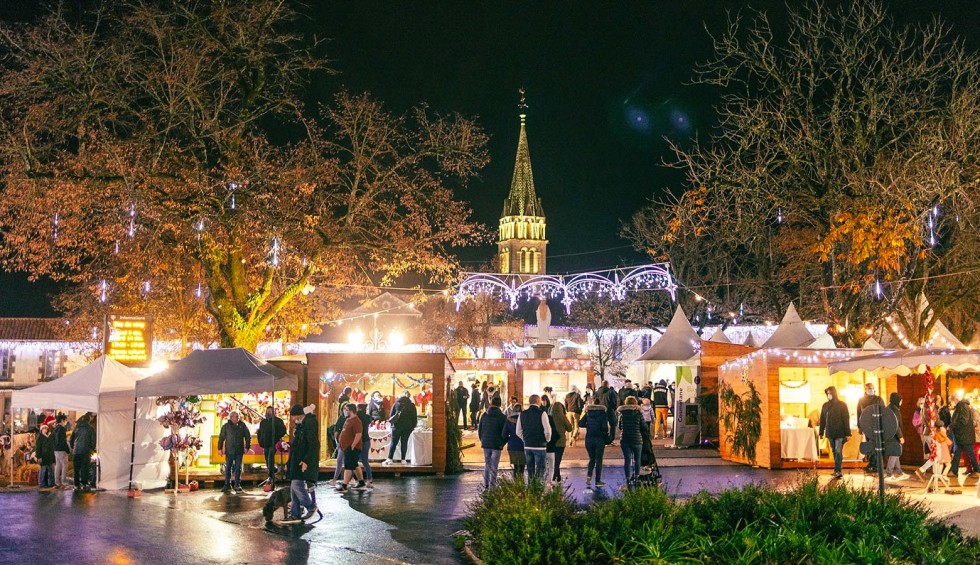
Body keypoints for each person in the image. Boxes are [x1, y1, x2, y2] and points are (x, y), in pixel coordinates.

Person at [286, 404, 318, 522]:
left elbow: (312, 444)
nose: (294, 419)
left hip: (302, 460)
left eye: (294, 417)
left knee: (296, 485)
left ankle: (310, 506)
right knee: (294, 487)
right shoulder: (302, 425)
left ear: (300, 415)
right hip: (297, 460)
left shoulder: (309, 424)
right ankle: (295, 514)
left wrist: (306, 460)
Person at [818, 386, 851, 479]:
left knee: (838, 450)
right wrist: (821, 432)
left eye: (830, 393)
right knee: (834, 451)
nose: (829, 395)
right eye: (827, 393)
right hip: (830, 433)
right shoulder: (825, 405)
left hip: (840, 432)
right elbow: (822, 420)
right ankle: (836, 470)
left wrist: (848, 433)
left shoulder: (842, 405)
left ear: (834, 393)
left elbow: (846, 419)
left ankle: (838, 471)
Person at [516, 394, 551, 482]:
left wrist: (525, 439)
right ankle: (538, 488)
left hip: (528, 446)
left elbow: (518, 431)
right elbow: (547, 431)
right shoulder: (542, 413)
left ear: (529, 402)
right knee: (540, 469)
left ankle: (531, 489)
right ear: (538, 402)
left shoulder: (522, 414)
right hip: (540, 445)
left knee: (530, 469)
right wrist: (547, 440)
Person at [580, 397, 610, 488]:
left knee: (592, 459)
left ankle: (589, 476)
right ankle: (597, 480)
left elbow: (580, 423)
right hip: (599, 438)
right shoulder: (602, 413)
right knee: (599, 460)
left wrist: (589, 425)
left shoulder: (588, 413)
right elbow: (605, 427)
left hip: (589, 438)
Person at [218, 411, 251, 493]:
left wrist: (247, 446)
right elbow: (221, 438)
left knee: (238, 468)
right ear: (231, 417)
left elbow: (247, 436)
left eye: (238, 416)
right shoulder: (226, 426)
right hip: (229, 450)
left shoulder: (242, 425)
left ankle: (237, 484)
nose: (237, 417)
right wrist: (219, 449)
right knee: (228, 468)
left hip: (239, 450)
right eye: (236, 416)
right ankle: (227, 484)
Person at [335, 403, 366, 492]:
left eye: (346, 409)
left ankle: (344, 485)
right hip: (346, 446)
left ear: (351, 411)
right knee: (355, 464)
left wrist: (353, 445)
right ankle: (361, 482)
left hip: (352, 447)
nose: (344, 411)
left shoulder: (356, 421)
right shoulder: (348, 419)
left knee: (348, 466)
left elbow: (358, 434)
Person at [478, 396, 507, 489]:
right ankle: (492, 486)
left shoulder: (484, 415)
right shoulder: (502, 417)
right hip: (496, 444)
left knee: (487, 464)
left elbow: (480, 429)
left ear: (491, 403)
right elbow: (505, 432)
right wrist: (503, 442)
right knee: (494, 466)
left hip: (486, 443)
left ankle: (486, 484)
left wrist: (482, 440)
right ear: (500, 404)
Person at [949, 394, 980, 478]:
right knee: (957, 453)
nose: (951, 403)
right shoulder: (962, 406)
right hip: (962, 435)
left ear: (955, 400)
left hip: (965, 435)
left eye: (951, 401)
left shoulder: (962, 406)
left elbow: (964, 421)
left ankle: (977, 470)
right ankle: (954, 471)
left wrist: (953, 425)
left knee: (970, 453)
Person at [856, 383, 884, 472]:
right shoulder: (861, 400)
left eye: (872, 388)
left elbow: (883, 411)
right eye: (869, 388)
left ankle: (874, 464)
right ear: (865, 389)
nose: (870, 390)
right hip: (866, 425)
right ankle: (873, 463)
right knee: (870, 444)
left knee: (875, 444)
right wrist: (859, 426)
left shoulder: (878, 399)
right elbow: (858, 414)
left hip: (876, 425)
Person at [384, 392, 418, 465]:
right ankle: (403, 459)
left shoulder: (396, 404)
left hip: (396, 426)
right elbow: (414, 417)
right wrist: (412, 427)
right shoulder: (411, 405)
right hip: (407, 427)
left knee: (393, 442)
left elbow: (391, 415)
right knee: (404, 442)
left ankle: (390, 458)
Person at [617, 396, 644, 487]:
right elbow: (643, 427)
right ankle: (637, 476)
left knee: (627, 460)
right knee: (637, 459)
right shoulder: (638, 413)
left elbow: (620, 426)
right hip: (637, 439)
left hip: (625, 439)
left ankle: (628, 478)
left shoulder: (622, 414)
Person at [257, 405, 287, 488]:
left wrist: (276, 437)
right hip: (265, 443)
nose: (268, 413)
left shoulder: (278, 421)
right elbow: (260, 432)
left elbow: (283, 431)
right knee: (267, 459)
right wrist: (260, 441)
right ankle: (271, 473)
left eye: (270, 411)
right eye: (267, 411)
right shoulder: (263, 422)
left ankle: (271, 477)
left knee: (270, 458)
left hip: (274, 443)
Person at [883, 392, 908, 481]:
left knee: (896, 453)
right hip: (894, 435)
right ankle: (889, 474)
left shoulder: (888, 408)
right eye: (901, 400)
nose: (901, 402)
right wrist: (900, 436)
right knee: (894, 453)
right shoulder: (894, 410)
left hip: (888, 434)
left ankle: (899, 472)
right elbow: (895, 424)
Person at [549, 391, 571, 483]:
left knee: (552, 459)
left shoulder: (549, 416)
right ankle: (556, 475)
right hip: (561, 441)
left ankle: (556, 475)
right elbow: (569, 428)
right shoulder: (563, 417)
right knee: (558, 459)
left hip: (551, 440)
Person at [69, 414, 96, 491]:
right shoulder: (90, 428)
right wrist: (92, 449)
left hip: (76, 451)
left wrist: (73, 447)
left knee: (76, 468)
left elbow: (71, 439)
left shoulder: (76, 428)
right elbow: (93, 440)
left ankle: (76, 484)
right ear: (88, 420)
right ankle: (84, 483)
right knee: (85, 467)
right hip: (85, 451)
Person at [501, 404, 525, 480]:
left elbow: (504, 434)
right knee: (522, 466)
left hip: (512, 446)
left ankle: (516, 484)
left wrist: (507, 440)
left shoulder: (509, 420)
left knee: (516, 466)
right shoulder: (524, 420)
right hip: (523, 446)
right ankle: (521, 484)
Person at [356, 403, 374, 488]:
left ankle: (353, 479)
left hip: (358, 441)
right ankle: (369, 479)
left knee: (354, 461)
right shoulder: (367, 417)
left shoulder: (356, 417)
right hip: (366, 440)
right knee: (365, 461)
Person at [34, 423, 56, 490]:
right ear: (41, 429)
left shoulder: (49, 436)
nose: (45, 429)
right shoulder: (40, 437)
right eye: (44, 428)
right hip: (43, 457)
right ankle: (42, 483)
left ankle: (51, 483)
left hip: (50, 456)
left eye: (46, 428)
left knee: (51, 470)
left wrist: (53, 457)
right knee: (43, 470)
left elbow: (52, 447)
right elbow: (38, 448)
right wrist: (39, 456)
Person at [52, 414, 70, 489]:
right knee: (64, 465)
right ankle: (64, 482)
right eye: (65, 420)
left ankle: (56, 482)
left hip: (56, 450)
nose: (65, 422)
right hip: (62, 449)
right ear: (62, 420)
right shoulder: (62, 429)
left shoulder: (55, 428)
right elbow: (63, 441)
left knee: (58, 466)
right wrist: (67, 449)